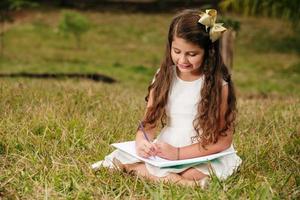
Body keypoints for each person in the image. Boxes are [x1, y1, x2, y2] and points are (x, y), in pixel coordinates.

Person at [93, 9, 242, 187]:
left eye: (192, 54)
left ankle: (165, 176)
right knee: (117, 161)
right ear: (170, 45)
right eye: (177, 51)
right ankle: (182, 182)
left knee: (192, 172)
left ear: (208, 52)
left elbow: (223, 141)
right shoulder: (164, 76)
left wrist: (178, 154)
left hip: (201, 151)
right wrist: (142, 142)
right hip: (167, 147)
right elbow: (147, 125)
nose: (182, 60)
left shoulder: (218, 85)